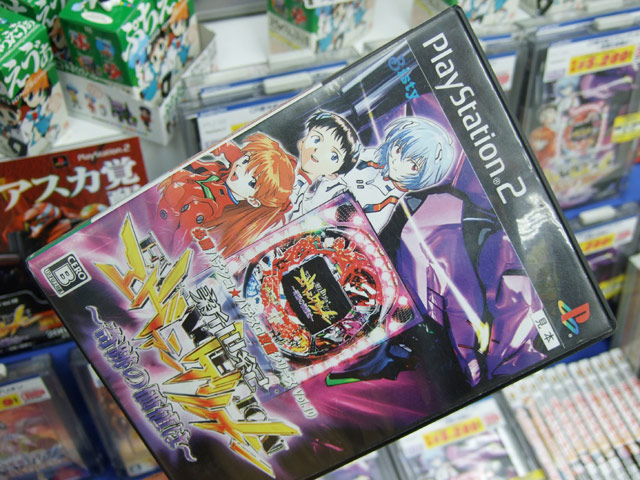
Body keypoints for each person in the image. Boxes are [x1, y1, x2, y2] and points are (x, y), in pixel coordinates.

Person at [158, 133, 296, 256]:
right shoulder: (232, 169)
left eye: (252, 182)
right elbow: (236, 155)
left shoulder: (210, 208)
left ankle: (165, 251)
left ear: (253, 201)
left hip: (197, 209)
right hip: (192, 184)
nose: (241, 169)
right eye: (246, 160)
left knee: (187, 203)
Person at [344, 116, 455, 232]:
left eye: (413, 165)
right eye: (398, 150)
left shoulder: (385, 205)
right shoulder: (373, 156)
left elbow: (365, 228)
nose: (397, 161)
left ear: (425, 177)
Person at [289, 110, 360, 220]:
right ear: (302, 142)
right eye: (317, 139)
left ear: (333, 174)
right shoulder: (279, 165)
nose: (319, 151)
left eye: (333, 156)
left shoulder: (310, 201)